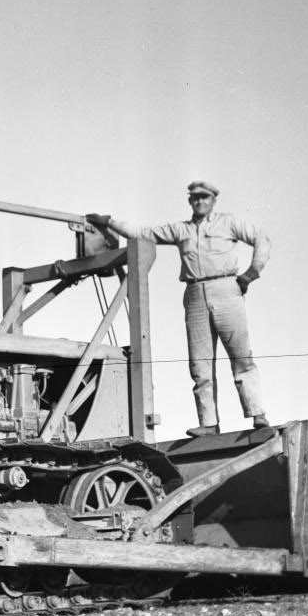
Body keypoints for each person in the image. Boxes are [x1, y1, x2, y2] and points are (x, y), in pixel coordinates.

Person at [87, 180, 271, 436]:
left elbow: (261, 239)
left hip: (226, 288)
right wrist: (109, 222)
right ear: (190, 201)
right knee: (200, 364)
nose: (200, 201)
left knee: (241, 356)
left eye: (204, 197)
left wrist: (251, 274)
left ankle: (258, 415)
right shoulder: (181, 230)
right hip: (195, 292)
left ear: (213, 200)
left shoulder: (229, 223)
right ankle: (209, 424)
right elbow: (144, 233)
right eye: (195, 197)